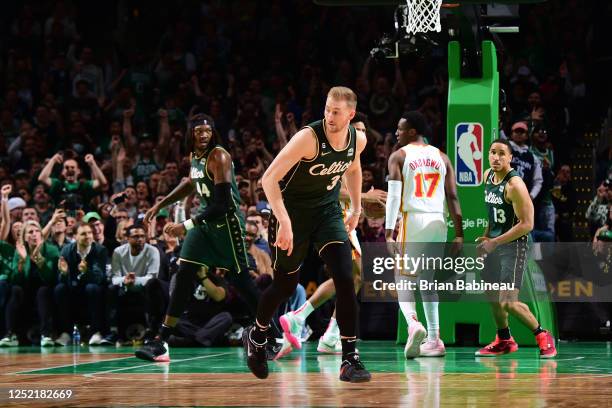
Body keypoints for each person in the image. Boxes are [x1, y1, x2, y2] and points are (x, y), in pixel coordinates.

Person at [243, 87, 371, 382]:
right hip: (292, 213)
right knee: (285, 286)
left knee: (345, 276)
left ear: (350, 115)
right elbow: (269, 178)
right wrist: (283, 220)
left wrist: (355, 207)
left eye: (336, 112)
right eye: (327, 109)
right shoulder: (308, 138)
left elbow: (353, 168)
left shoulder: (357, 140)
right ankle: (258, 334)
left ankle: (349, 357)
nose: (329, 116)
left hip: (326, 211)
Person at [134, 114, 261, 362]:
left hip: (226, 223)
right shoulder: (195, 156)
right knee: (183, 275)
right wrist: (159, 204)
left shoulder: (219, 156)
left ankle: (273, 334)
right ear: (191, 133)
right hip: (205, 224)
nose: (204, 135)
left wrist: (185, 225)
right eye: (199, 131)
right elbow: (190, 184)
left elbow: (223, 205)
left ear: (214, 132)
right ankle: (162, 341)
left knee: (241, 281)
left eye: (208, 130)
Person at [276, 112, 387, 357]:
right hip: (326, 221)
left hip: (341, 223)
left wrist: (370, 206)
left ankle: (327, 334)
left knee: (352, 279)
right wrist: (365, 198)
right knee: (354, 275)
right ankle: (303, 319)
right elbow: (330, 190)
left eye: (362, 131)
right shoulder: (334, 156)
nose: (359, 135)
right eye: (355, 130)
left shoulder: (354, 162)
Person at [385, 111, 464, 359]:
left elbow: (395, 197)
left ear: (412, 131)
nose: (396, 132)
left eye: (400, 128)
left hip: (415, 220)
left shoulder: (399, 156)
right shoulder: (442, 156)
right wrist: (459, 234)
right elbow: (452, 197)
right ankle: (434, 339)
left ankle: (412, 324)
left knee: (403, 279)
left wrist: (389, 232)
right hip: (439, 222)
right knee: (427, 281)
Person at [475, 138, 556, 358]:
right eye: (493, 152)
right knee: (492, 295)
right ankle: (504, 339)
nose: (496, 157)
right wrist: (485, 237)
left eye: (502, 154)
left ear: (511, 158)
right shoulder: (488, 176)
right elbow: (492, 213)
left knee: (508, 302)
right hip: (493, 244)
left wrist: (496, 242)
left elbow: (527, 225)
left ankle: (542, 335)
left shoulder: (515, 185)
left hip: (513, 246)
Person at [105, 224, 165, 345]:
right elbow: (114, 278)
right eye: (136, 236)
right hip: (125, 287)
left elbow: (152, 276)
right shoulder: (118, 252)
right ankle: (113, 331)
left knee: (153, 285)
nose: (140, 239)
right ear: (127, 238)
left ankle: (152, 331)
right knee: (111, 289)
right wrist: (125, 280)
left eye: (143, 236)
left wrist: (135, 280)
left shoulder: (153, 251)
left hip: (144, 288)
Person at [55, 223, 107, 346]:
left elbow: (99, 278)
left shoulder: (100, 250)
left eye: (89, 233)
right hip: (73, 287)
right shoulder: (67, 250)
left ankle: (96, 332)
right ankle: (65, 333)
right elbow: (60, 279)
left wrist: (86, 272)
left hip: (92, 288)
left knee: (92, 288)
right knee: (60, 289)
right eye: (83, 234)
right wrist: (64, 273)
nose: (88, 236)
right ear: (75, 236)